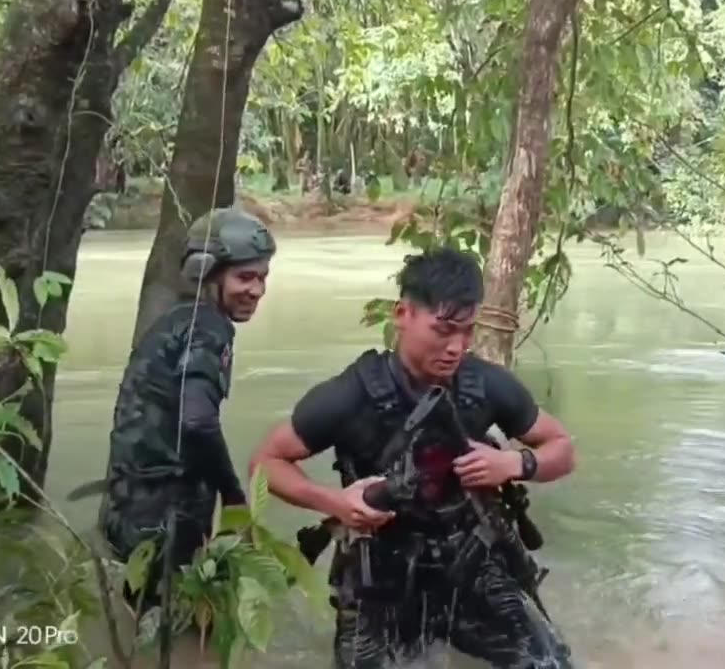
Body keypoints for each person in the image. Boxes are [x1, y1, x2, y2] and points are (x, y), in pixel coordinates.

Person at [249, 246, 578, 669]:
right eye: (443, 330)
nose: (457, 346)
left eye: (467, 331)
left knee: (550, 663)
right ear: (403, 314)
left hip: (470, 559)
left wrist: (515, 464)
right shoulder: (350, 395)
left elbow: (562, 448)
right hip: (381, 572)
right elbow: (265, 462)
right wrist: (336, 503)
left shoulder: (486, 385)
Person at [89, 206, 275, 666]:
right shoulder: (209, 329)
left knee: (142, 634)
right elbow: (196, 421)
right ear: (208, 274)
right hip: (165, 519)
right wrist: (234, 498)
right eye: (245, 277)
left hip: (129, 507)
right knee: (181, 637)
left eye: (262, 278)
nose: (256, 290)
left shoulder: (175, 321)